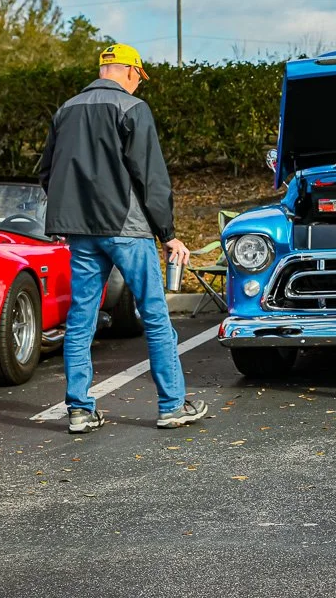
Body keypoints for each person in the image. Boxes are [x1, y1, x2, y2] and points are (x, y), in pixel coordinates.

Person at [40, 43, 208, 434]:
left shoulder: (65, 110)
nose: (138, 85)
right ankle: (171, 405)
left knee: (80, 319)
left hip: (80, 231)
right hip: (127, 229)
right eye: (138, 78)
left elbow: (47, 173)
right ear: (130, 72)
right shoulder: (133, 109)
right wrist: (167, 234)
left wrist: (75, 211)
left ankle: (80, 411)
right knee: (154, 315)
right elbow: (151, 177)